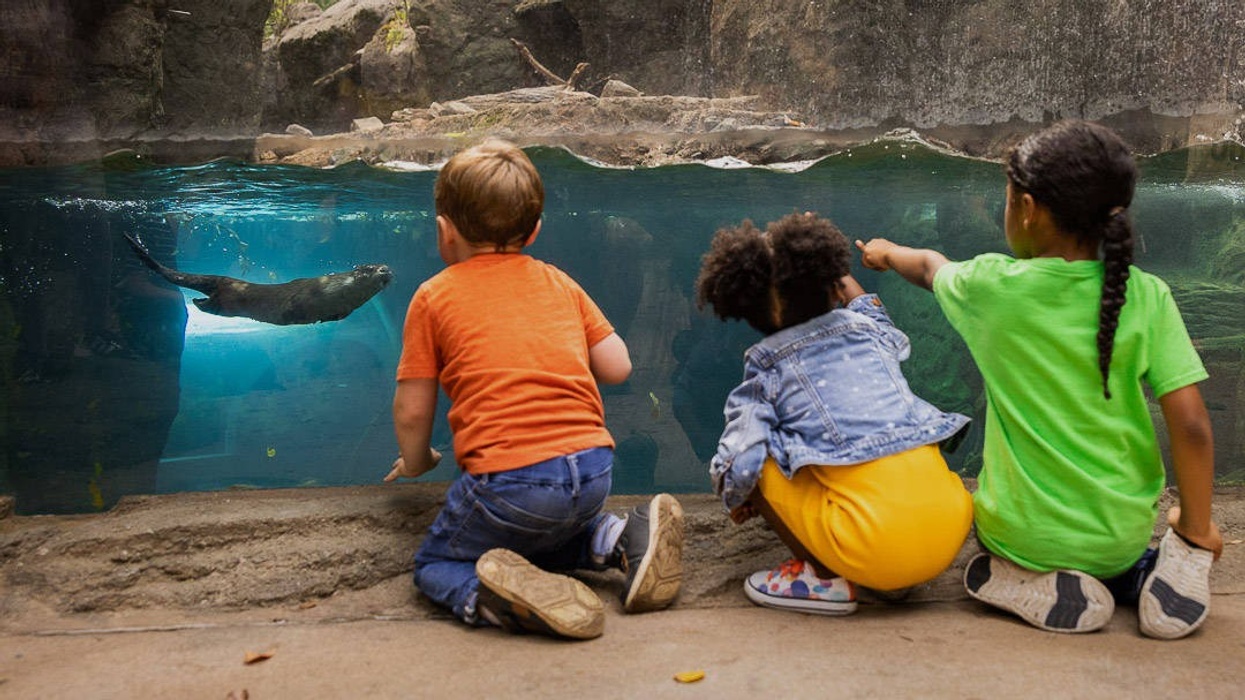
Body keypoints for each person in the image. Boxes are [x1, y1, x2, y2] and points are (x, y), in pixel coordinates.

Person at [857, 119, 1223, 639]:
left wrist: (885, 253)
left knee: (986, 546)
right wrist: (1196, 527)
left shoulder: (991, 287)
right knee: (1153, 541)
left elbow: (931, 266)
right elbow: (1191, 426)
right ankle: (1154, 569)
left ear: (1027, 210)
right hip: (1119, 534)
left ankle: (1015, 580)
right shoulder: (1146, 295)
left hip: (1022, 536)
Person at [385, 139, 684, 640]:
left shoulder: (433, 295)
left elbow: (413, 411)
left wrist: (417, 461)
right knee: (541, 533)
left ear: (443, 232)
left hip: (509, 485)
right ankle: (616, 536)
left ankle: (496, 599)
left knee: (438, 563)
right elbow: (618, 366)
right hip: (592, 473)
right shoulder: (559, 282)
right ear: (536, 229)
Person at [696, 211, 974, 615]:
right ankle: (890, 572)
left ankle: (822, 578)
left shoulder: (767, 365)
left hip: (871, 546)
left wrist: (737, 493)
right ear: (830, 284)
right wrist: (836, 271)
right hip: (951, 529)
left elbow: (739, 460)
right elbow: (868, 309)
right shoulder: (869, 333)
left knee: (754, 452)